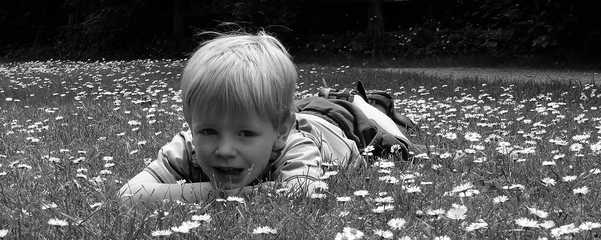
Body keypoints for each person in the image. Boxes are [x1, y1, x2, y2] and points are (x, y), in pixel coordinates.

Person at [118, 31, 416, 205]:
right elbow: (128, 195)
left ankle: (371, 100)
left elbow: (304, 192)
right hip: (291, 114)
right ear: (190, 122)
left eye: (245, 134)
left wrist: (231, 195)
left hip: (340, 125)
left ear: (280, 132)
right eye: (208, 130)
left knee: (393, 143)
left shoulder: (295, 146)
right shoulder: (188, 146)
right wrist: (215, 193)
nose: (224, 149)